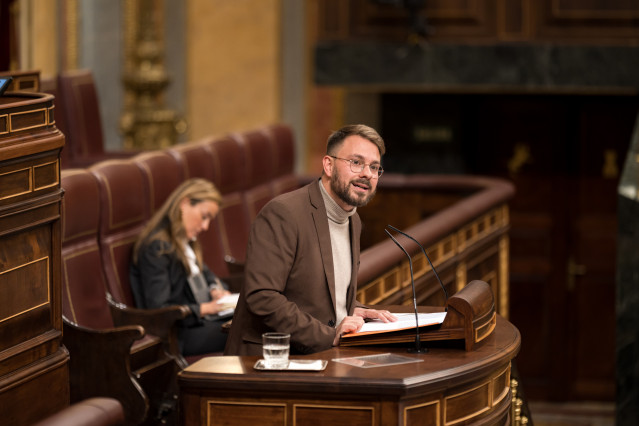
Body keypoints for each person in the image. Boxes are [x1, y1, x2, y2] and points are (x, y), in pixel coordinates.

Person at [225, 124, 397, 356]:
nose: (367, 173)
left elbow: (312, 294)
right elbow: (262, 297)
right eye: (356, 162)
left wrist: (353, 310)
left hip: (322, 354)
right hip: (273, 360)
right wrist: (330, 335)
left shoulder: (353, 221)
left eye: (375, 167)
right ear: (328, 165)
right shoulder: (284, 213)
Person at [130, 178, 231, 356]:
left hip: (198, 323)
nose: (206, 226)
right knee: (243, 333)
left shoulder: (185, 242)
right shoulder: (157, 248)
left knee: (249, 324)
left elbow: (208, 276)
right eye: (204, 216)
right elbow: (160, 308)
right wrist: (205, 308)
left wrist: (216, 290)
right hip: (177, 336)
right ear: (184, 204)